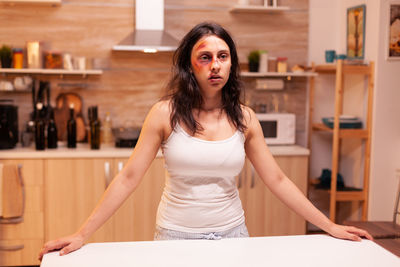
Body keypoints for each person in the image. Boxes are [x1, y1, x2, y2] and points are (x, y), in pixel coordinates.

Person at [39, 22, 372, 260]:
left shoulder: (245, 118)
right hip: (175, 238)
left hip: (233, 235)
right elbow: (127, 178)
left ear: (231, 63)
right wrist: (82, 233)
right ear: (190, 65)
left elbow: (279, 179)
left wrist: (328, 225)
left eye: (223, 56)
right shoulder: (164, 114)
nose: (216, 65)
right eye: (205, 57)